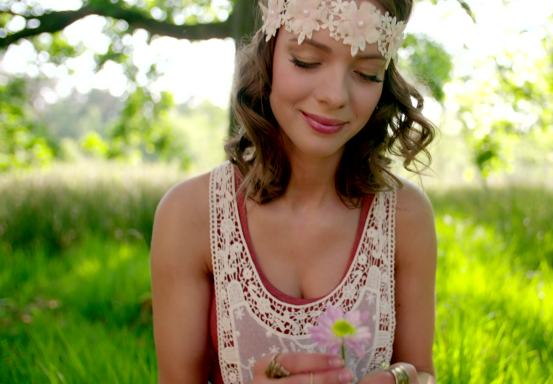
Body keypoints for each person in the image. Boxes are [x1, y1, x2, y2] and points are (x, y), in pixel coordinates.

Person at [150, 0, 437, 383]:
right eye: (306, 60)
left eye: (367, 73)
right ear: (267, 56)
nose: (335, 95)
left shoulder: (405, 216)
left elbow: (422, 373)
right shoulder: (190, 215)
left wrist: (399, 379)